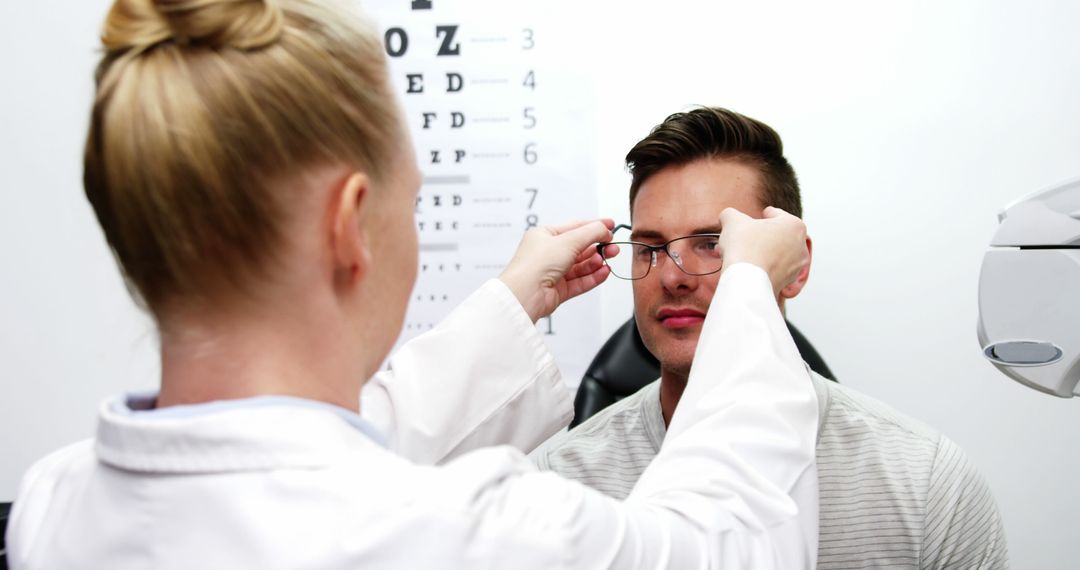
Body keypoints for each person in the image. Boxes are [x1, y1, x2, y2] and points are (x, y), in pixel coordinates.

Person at [6, 2, 820, 568]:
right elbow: (730, 542)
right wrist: (745, 285)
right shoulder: (483, 533)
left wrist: (513, 301)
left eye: (709, 245)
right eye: (414, 200)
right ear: (349, 223)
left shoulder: (56, 504)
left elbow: (308, 451)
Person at [537, 107, 1010, 569]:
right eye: (651, 248)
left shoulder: (926, 484)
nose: (673, 277)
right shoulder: (561, 482)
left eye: (713, 243)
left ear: (794, 266)